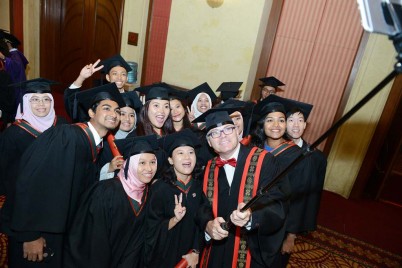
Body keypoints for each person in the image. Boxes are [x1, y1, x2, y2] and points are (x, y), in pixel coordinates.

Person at [7, 83, 124, 267]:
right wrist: (29, 235)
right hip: (38, 235)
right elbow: (31, 181)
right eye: (106, 108)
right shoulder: (67, 136)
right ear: (91, 113)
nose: (114, 114)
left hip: (59, 232)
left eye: (117, 111)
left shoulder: (94, 144)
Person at [193, 109, 289, 267]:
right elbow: (203, 206)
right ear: (209, 142)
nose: (222, 135)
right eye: (214, 133)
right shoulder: (209, 167)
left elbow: (278, 203)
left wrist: (252, 217)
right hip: (216, 251)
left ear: (237, 131)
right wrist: (208, 224)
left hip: (250, 250)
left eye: (227, 129)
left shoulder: (264, 160)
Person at [64, 135, 158, 268]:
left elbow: (137, 243)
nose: (149, 169)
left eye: (153, 162)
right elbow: (92, 240)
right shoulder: (105, 192)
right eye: (142, 163)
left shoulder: (148, 194)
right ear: (129, 165)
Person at [251, 95, 316, 267]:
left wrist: (291, 237)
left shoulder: (299, 157)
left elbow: (300, 201)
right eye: (270, 120)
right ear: (262, 124)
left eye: (281, 120)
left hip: (279, 226)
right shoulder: (253, 149)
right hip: (251, 219)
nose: (276, 125)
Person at [0, 79, 67, 237]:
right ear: (26, 103)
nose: (41, 104)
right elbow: (6, 175)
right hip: (24, 204)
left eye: (46, 99)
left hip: (57, 200)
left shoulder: (62, 126)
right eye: (35, 100)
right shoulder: (13, 134)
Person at [145, 129, 209, 267]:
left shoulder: (200, 187)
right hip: (165, 259)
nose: (187, 158)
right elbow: (150, 231)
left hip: (193, 258)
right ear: (170, 160)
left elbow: (204, 224)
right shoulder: (159, 189)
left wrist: (196, 251)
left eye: (191, 152)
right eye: (180, 153)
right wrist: (174, 220)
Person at [64, 54, 131, 121]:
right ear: (108, 77)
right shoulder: (99, 96)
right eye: (115, 73)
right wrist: (81, 77)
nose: (119, 77)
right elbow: (73, 103)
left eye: (123, 74)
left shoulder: (131, 98)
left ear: (127, 78)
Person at [99, 91, 143, 180]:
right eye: (122, 114)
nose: (127, 119)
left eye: (131, 115)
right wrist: (109, 168)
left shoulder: (140, 140)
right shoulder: (104, 141)